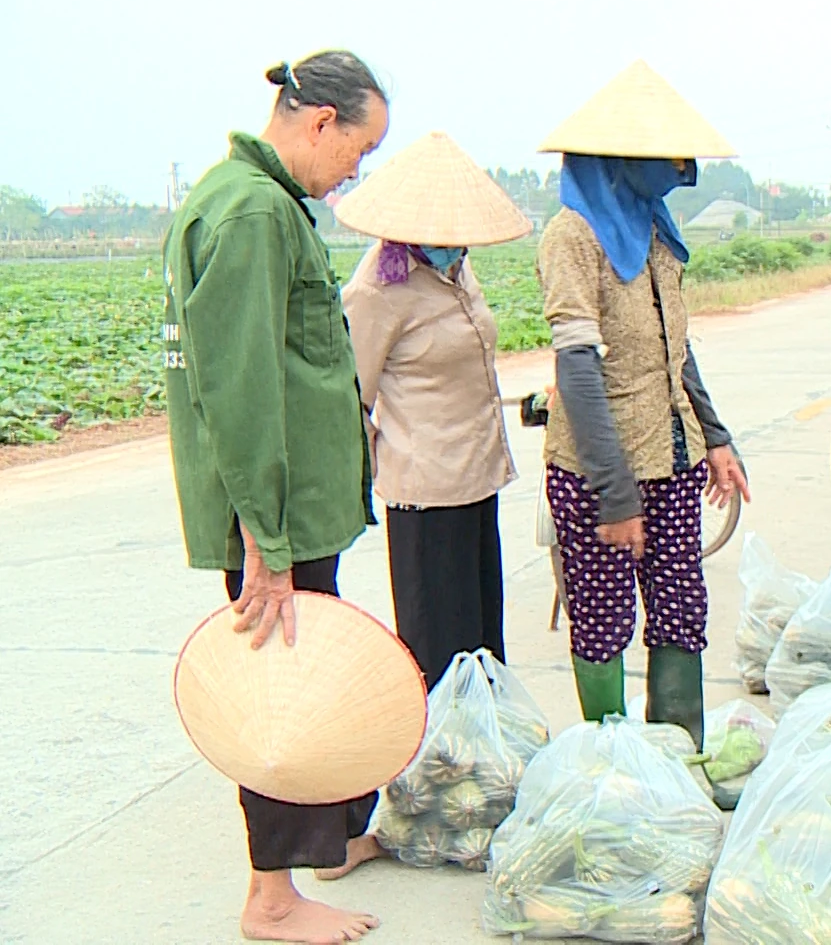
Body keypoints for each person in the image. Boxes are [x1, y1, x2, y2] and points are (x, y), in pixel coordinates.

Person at [160, 51, 390, 944]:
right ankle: (273, 899)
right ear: (322, 122)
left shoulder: (247, 199)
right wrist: (266, 538)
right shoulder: (255, 213)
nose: (355, 171)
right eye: (359, 149)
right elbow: (242, 386)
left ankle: (288, 880)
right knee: (282, 697)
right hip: (276, 519)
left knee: (291, 684)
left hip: (286, 512)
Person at [535, 60, 750, 745]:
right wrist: (617, 495)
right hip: (600, 474)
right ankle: (614, 762)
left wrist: (716, 437)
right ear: (618, 159)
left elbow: (675, 349)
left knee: (682, 611)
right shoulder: (573, 237)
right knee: (603, 622)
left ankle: (678, 753)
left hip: (674, 459)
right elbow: (578, 371)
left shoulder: (657, 231)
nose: (680, 170)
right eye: (666, 158)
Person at [338, 132, 529, 689]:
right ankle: (438, 745)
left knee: (482, 645)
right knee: (440, 655)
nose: (455, 244)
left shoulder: (457, 268)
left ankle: (486, 739)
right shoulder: (377, 290)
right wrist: (372, 474)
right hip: (426, 494)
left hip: (478, 479)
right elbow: (352, 398)